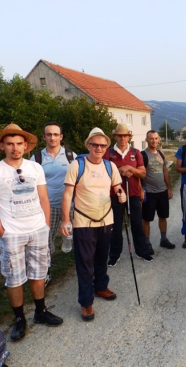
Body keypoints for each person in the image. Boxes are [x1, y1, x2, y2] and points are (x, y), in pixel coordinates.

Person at [0, 123, 63, 341]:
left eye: (19, 143)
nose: (15, 148)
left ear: (26, 146)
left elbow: (44, 198)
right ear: (2, 146)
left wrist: (45, 226)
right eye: (9, 143)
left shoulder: (35, 168)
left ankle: (41, 311)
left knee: (38, 273)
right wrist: (4, 233)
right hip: (12, 234)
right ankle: (19, 319)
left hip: (37, 229)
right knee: (14, 278)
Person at [61, 127, 126, 321]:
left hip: (106, 218)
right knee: (85, 263)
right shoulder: (77, 165)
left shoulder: (110, 166)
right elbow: (67, 194)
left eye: (102, 145)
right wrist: (66, 219)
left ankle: (100, 287)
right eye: (95, 144)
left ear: (107, 147)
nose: (99, 148)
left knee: (101, 257)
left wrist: (121, 195)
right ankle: (86, 302)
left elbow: (117, 187)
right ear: (88, 145)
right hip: (83, 220)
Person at [31, 121, 77, 287]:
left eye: (56, 134)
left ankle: (79, 266)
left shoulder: (72, 156)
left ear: (61, 137)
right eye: (49, 134)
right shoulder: (36, 158)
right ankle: (46, 273)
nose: (52, 137)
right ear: (44, 137)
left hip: (70, 205)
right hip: (46, 208)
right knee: (45, 241)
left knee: (76, 237)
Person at [104, 124, 151, 265]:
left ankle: (142, 251)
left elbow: (142, 173)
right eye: (119, 135)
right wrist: (119, 170)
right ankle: (114, 254)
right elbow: (105, 173)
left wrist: (131, 168)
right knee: (116, 226)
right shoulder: (108, 153)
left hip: (134, 193)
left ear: (129, 137)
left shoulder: (136, 153)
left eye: (125, 135)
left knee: (137, 224)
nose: (122, 138)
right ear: (115, 137)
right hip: (115, 194)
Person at [141, 130, 175, 250]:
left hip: (162, 192)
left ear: (159, 138)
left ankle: (163, 239)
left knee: (163, 216)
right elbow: (140, 175)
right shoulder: (143, 155)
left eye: (156, 138)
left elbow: (165, 171)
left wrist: (169, 188)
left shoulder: (161, 153)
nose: (154, 141)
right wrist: (141, 190)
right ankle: (146, 243)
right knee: (146, 219)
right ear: (147, 140)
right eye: (151, 138)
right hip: (149, 193)